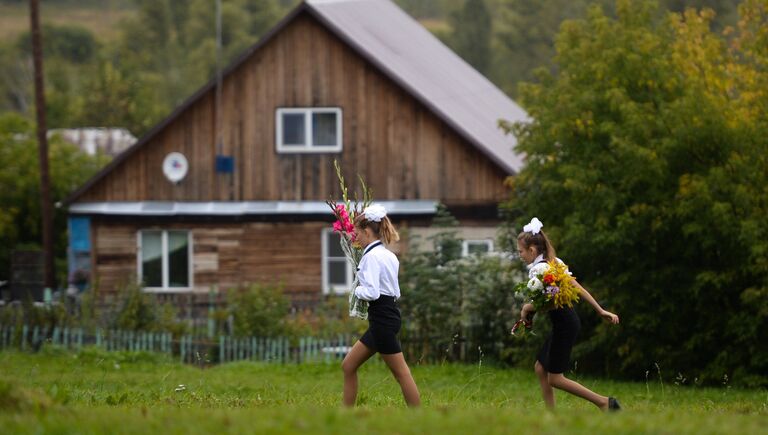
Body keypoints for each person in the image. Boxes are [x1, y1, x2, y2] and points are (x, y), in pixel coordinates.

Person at [517, 217, 621, 411]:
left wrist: (527, 309)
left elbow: (551, 300)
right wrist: (600, 310)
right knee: (541, 367)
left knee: (555, 378)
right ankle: (552, 415)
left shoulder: (540, 270)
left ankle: (605, 403)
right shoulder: (554, 262)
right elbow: (576, 287)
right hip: (566, 322)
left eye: (520, 251)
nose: (520, 255)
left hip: (565, 325)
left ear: (532, 250)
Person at [341, 204, 421, 407]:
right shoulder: (389, 256)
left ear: (367, 231)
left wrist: (355, 290)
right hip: (387, 317)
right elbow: (396, 292)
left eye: (357, 232)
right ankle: (344, 414)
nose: (355, 237)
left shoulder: (371, 257)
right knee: (348, 365)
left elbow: (372, 293)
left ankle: (420, 417)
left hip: (382, 322)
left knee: (402, 373)